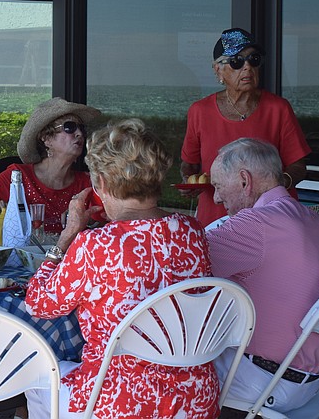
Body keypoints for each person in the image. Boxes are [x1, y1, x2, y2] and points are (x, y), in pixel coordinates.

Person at [25, 119, 216, 419]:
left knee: (36, 376)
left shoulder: (94, 245)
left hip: (120, 403)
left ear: (100, 184)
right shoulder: (193, 232)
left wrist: (68, 237)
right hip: (193, 400)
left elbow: (38, 303)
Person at [207, 138, 319, 414]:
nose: (216, 198)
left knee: (161, 362)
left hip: (266, 382)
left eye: (218, 186)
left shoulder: (257, 224)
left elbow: (177, 263)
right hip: (308, 381)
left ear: (245, 181)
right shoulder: (308, 217)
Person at [180, 27, 311, 227]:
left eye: (253, 60)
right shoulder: (200, 111)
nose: (247, 67)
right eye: (236, 62)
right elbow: (189, 164)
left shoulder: (278, 109)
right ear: (218, 70)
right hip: (216, 219)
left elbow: (299, 166)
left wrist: (274, 186)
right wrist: (189, 182)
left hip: (271, 219)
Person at [0, 97, 102, 234]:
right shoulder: (18, 176)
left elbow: (111, 219)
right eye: (69, 127)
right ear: (46, 138)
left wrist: (89, 220)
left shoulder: (88, 182)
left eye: (81, 128)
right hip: (25, 255)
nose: (79, 134)